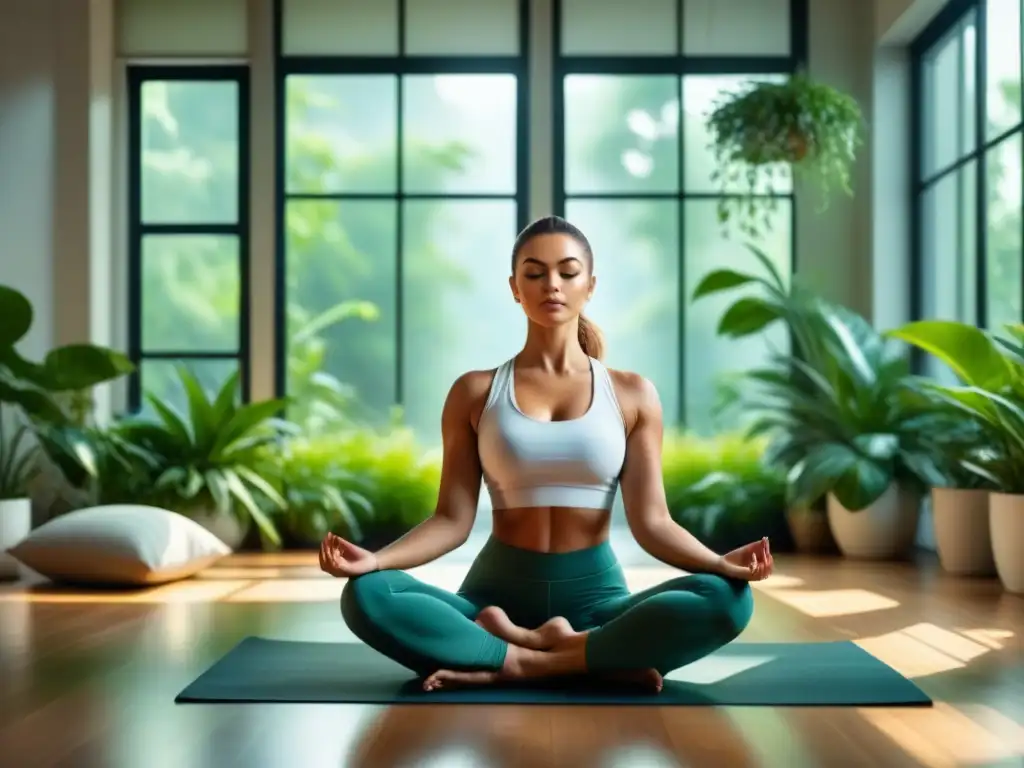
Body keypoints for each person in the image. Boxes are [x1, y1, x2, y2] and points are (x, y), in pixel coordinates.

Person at [319, 215, 774, 693]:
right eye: (534, 274)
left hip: (597, 604)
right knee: (366, 595)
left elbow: (653, 523)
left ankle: (511, 658)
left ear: (590, 285)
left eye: (567, 271)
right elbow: (451, 520)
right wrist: (374, 561)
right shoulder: (474, 392)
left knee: (729, 600)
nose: (551, 284)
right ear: (515, 288)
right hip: (492, 599)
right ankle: (586, 658)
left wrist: (719, 565)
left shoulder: (633, 394)